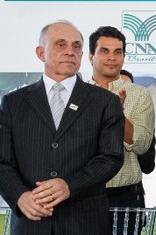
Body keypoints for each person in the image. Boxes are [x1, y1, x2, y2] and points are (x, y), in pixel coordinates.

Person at [0, 20, 124, 234]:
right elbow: (2, 161)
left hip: (85, 223)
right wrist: (20, 196)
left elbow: (111, 157)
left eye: (76, 46)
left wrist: (70, 185)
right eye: (60, 44)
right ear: (41, 53)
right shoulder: (13, 102)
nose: (70, 51)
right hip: (31, 223)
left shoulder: (105, 102)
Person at [86, 26, 155, 234]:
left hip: (125, 196)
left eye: (118, 52)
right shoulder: (78, 95)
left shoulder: (139, 94)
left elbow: (142, 145)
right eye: (104, 51)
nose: (112, 58)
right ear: (91, 57)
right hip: (83, 194)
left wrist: (116, 113)